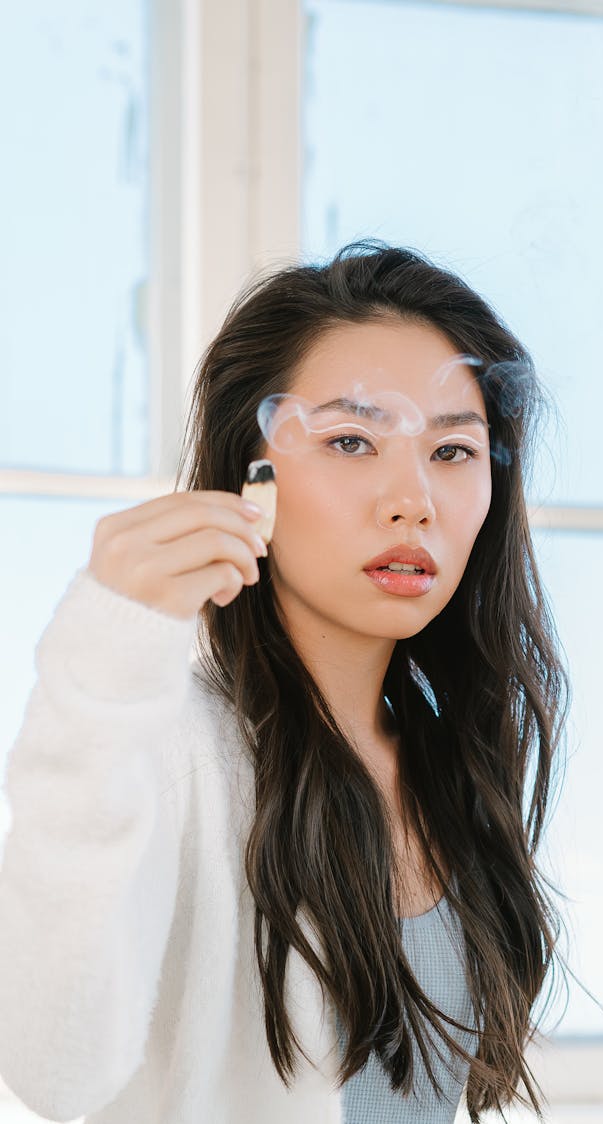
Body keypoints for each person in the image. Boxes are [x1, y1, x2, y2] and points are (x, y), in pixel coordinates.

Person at [0, 242, 568, 1124]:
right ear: (249, 479)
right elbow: (50, 1065)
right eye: (351, 440)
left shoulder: (445, 759)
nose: (413, 497)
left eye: (454, 450)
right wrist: (100, 671)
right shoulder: (174, 751)